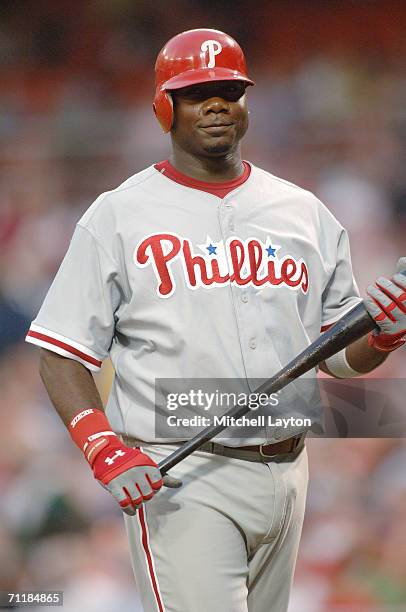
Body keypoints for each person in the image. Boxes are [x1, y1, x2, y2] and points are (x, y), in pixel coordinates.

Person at [26, 28, 406, 612]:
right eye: (196, 91)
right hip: (182, 470)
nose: (216, 104)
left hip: (289, 467)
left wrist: (383, 332)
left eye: (229, 90)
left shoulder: (303, 212)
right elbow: (62, 349)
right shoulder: (120, 215)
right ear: (163, 107)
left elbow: (339, 355)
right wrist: (102, 444)